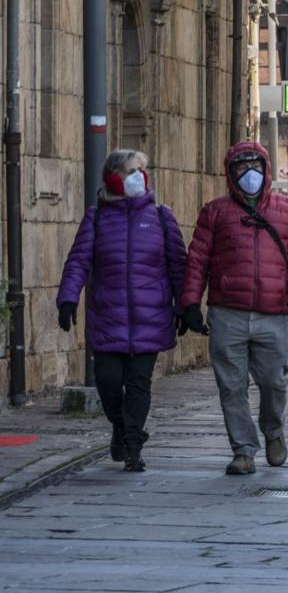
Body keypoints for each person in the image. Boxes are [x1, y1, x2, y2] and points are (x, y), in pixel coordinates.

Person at [181, 142, 288, 476]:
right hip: (227, 311)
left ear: (266, 169)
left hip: (273, 312)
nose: (250, 175)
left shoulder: (287, 210)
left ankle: (273, 430)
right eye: (242, 169)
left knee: (275, 381)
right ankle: (243, 449)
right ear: (231, 174)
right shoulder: (214, 212)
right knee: (231, 385)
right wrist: (189, 302)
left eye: (255, 167)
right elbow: (197, 260)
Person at [56, 150, 187, 473]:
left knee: (139, 383)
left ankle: (132, 445)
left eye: (143, 169)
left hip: (150, 317)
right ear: (113, 175)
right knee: (109, 382)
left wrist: (186, 304)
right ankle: (121, 426)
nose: (139, 176)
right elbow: (78, 261)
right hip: (108, 317)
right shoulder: (97, 218)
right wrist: (68, 299)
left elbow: (178, 265)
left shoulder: (160, 217)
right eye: (132, 170)